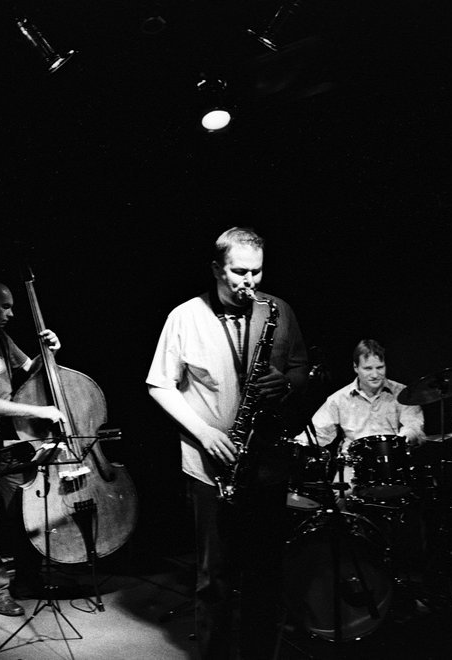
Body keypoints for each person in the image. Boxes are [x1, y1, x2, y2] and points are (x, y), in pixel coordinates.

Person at [146, 227, 308, 660]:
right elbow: (159, 385)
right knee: (214, 579)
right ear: (217, 269)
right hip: (211, 468)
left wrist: (287, 383)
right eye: (239, 272)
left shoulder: (279, 311)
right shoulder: (185, 316)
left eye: (256, 272)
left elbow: (301, 367)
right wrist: (205, 433)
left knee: (266, 577)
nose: (249, 282)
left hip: (267, 464)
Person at [0, 280, 66, 616]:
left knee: (23, 510)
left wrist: (49, 352)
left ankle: (27, 579)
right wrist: (38, 412)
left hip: (10, 438)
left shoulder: (1, 337)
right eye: (4, 306)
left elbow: (30, 370)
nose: (11, 313)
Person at [298, 339, 426, 502]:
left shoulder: (403, 393)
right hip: (353, 468)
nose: (375, 374)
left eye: (380, 367)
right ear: (355, 367)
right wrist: (296, 445)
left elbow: (414, 426)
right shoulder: (338, 399)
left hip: (393, 465)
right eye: (368, 368)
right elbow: (317, 433)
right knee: (340, 502)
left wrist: (400, 441)